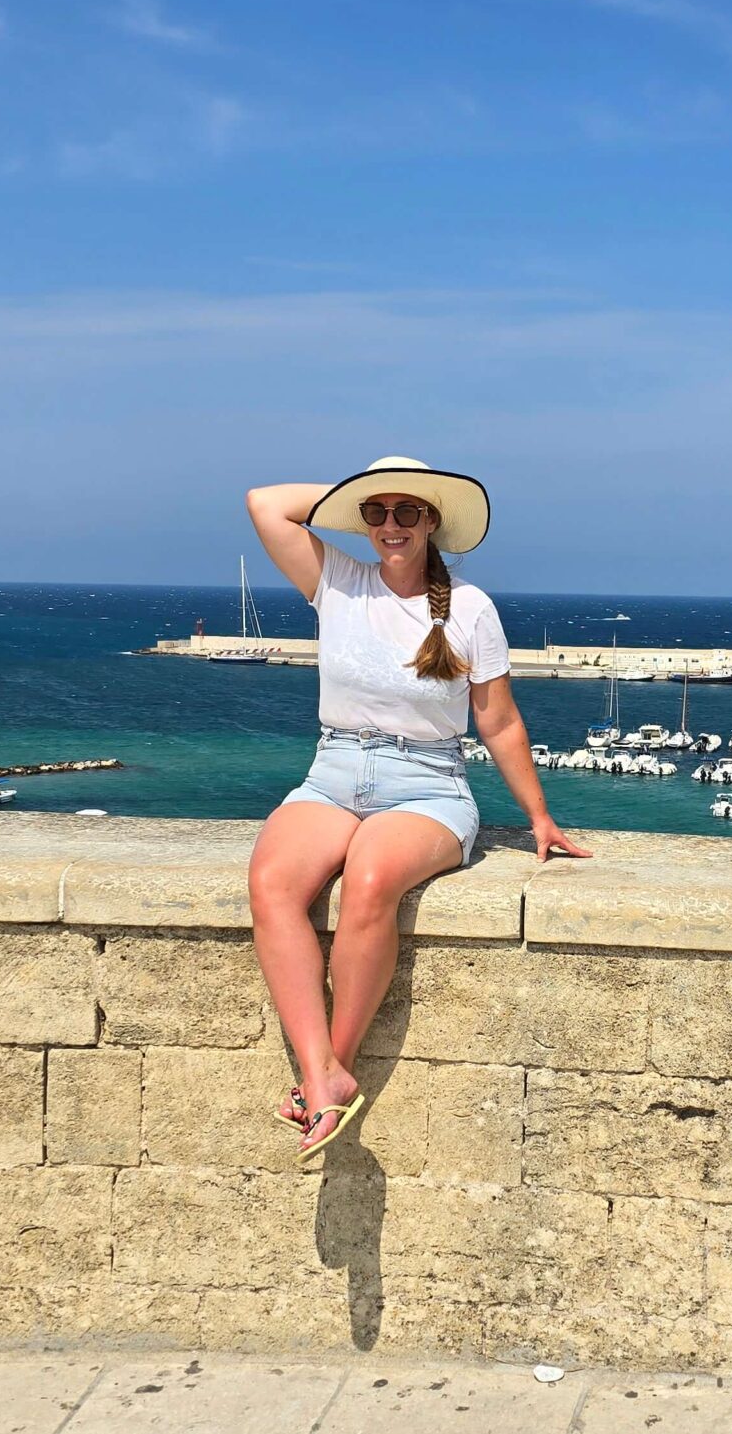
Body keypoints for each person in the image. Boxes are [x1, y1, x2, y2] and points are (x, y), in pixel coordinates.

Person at [244, 457, 591, 1161]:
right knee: (273, 883)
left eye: (409, 511)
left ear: (434, 519)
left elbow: (499, 722)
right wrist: (348, 496)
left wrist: (539, 816)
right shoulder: (337, 580)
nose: (391, 526)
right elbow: (264, 502)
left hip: (429, 784)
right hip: (334, 770)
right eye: (376, 512)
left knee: (370, 880)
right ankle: (321, 1072)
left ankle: (329, 1076)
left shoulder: (470, 608)